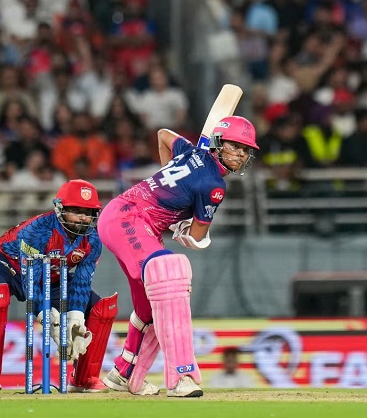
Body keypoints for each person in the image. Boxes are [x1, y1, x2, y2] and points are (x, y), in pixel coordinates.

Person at [97, 116, 258, 397]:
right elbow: (196, 238)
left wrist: (170, 187)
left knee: (151, 308)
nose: (241, 154)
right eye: (235, 146)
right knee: (171, 276)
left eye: (246, 150)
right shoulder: (213, 185)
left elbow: (163, 135)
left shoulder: (190, 151)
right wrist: (186, 230)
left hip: (123, 217)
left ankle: (124, 373)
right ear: (218, 143)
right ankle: (182, 376)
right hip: (130, 221)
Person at [0, 179, 118, 393]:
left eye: (88, 212)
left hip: (52, 275)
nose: (82, 218)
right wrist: (48, 318)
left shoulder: (93, 240)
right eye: (76, 211)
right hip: (8, 264)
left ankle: (84, 378)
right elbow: (30, 278)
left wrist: (75, 319)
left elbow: (82, 282)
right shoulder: (38, 230)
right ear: (60, 209)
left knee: (100, 309)